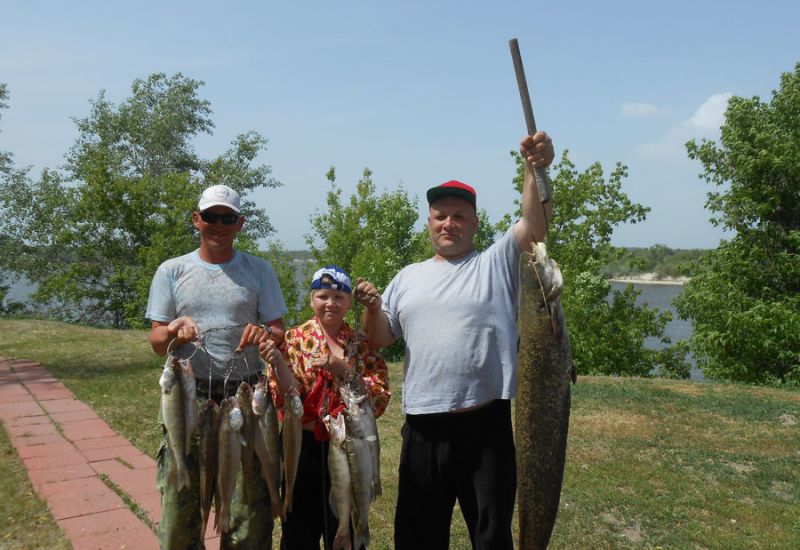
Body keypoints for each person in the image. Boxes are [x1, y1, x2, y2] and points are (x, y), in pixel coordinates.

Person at [356, 132, 556, 549]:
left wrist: (535, 168)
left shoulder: (496, 263)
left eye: (459, 216)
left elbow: (535, 223)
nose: (449, 223)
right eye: (440, 215)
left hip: (486, 427)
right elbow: (378, 340)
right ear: (429, 221)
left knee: (491, 536)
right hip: (423, 430)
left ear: (474, 223)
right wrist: (373, 308)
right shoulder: (406, 277)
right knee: (417, 538)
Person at [146, 183, 295, 549]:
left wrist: (264, 333)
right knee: (182, 508)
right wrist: (173, 330)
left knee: (249, 510)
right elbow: (155, 342)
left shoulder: (259, 270)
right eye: (211, 216)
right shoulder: (172, 270)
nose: (218, 224)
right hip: (189, 397)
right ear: (197, 220)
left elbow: (277, 330)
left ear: (240, 223)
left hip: (245, 398)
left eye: (227, 217)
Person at [260, 265, 391, 550]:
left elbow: (378, 395)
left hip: (349, 445)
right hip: (302, 445)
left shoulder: (360, 343)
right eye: (323, 296)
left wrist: (342, 368)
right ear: (311, 300)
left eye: (339, 297)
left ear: (348, 303)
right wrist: (277, 363)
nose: (330, 303)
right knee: (298, 531)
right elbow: (285, 394)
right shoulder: (294, 339)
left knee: (344, 525)